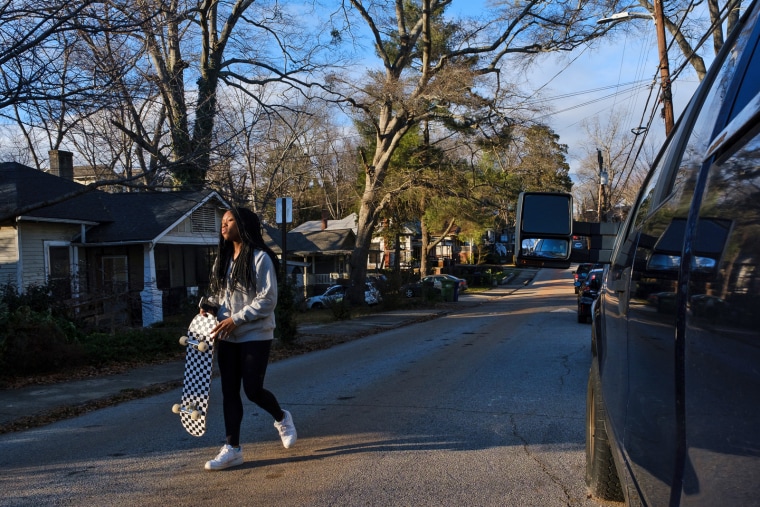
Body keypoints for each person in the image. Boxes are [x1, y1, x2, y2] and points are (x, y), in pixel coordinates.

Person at [200, 206, 297, 471]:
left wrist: (236, 319)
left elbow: (268, 300)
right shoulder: (222, 260)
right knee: (229, 391)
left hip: (255, 333)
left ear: (243, 225)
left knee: (252, 389)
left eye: (230, 220)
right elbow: (217, 294)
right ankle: (232, 449)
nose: (224, 225)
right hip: (227, 335)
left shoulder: (260, 258)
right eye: (222, 221)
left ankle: (281, 417)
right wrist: (209, 308)